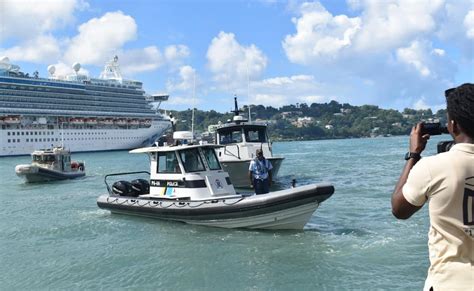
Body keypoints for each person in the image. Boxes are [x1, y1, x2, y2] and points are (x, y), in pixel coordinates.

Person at [391, 83, 474, 291]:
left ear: (452, 126)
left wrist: (414, 155)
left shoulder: (433, 167)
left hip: (449, 283)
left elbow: (399, 209)